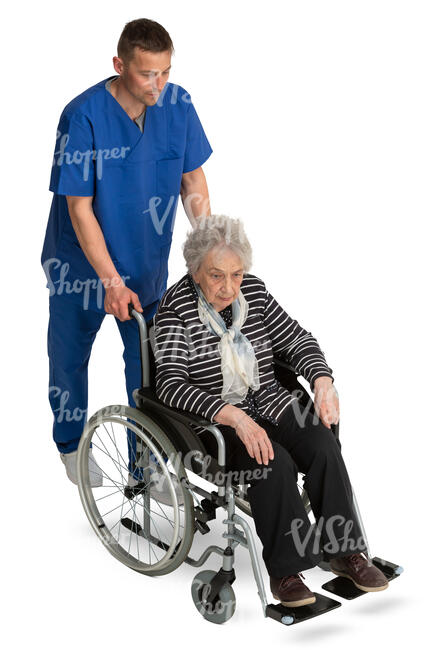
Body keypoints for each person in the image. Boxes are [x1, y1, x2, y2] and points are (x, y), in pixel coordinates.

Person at [152, 214, 389, 607]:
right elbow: (171, 385)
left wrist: (322, 379)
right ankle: (286, 571)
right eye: (216, 276)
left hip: (273, 402)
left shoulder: (255, 294)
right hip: (217, 424)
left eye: (237, 274)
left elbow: (297, 339)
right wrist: (235, 417)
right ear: (195, 271)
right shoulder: (174, 311)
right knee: (272, 463)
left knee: (322, 443)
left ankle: (344, 551)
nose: (229, 287)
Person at [41, 19, 213, 488]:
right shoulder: (83, 116)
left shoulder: (177, 106)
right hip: (81, 268)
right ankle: (71, 446)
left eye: (165, 72)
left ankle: (147, 463)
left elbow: (192, 180)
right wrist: (110, 280)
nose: (158, 85)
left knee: (148, 362)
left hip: (145, 265)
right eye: (146, 74)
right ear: (120, 65)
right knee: (69, 358)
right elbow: (79, 208)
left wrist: (208, 247)